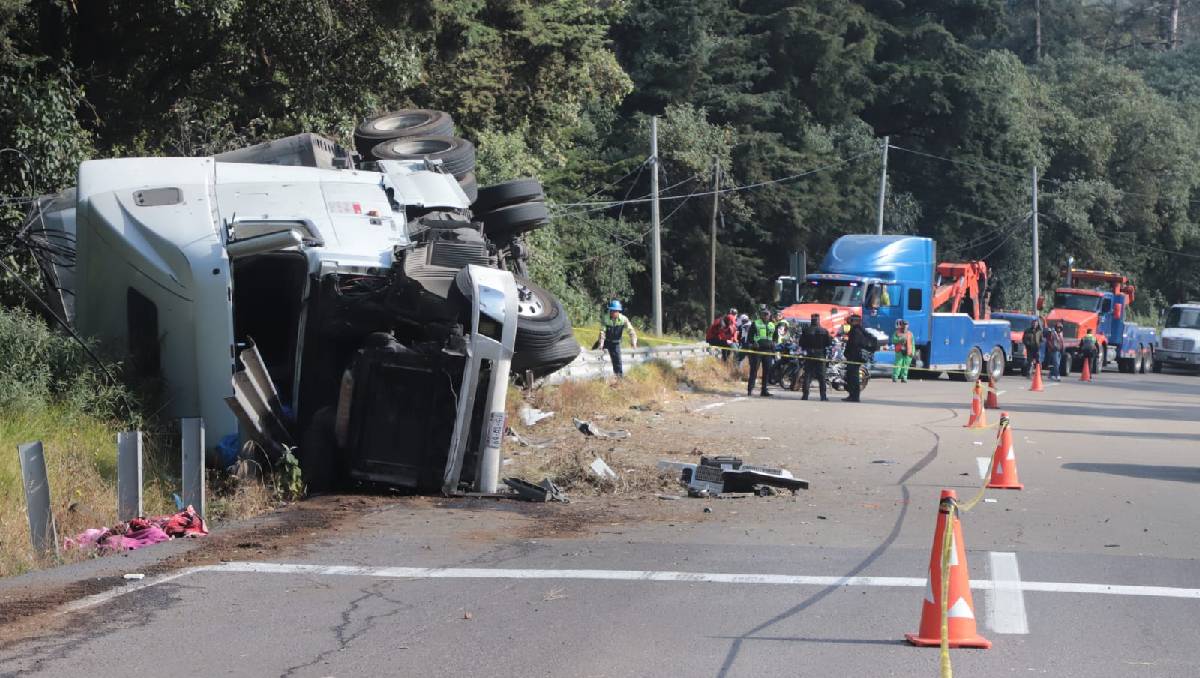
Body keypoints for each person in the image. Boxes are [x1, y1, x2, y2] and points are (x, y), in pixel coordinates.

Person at [595, 300, 637, 376]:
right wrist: (601, 344)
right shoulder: (605, 318)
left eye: (615, 311)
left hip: (615, 343)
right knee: (595, 353)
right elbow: (602, 332)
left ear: (618, 311)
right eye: (611, 310)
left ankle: (619, 379)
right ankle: (596, 374)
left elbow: (631, 331)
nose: (613, 312)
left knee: (617, 362)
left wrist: (633, 342)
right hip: (606, 341)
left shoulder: (623, 319)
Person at [746, 306, 780, 397]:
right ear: (761, 315)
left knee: (767, 371)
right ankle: (750, 390)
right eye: (763, 314)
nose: (765, 316)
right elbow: (749, 337)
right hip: (757, 351)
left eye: (767, 314)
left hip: (768, 351)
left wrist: (774, 343)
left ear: (769, 315)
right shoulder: (755, 323)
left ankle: (764, 390)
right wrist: (753, 343)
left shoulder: (772, 325)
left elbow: (776, 337)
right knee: (754, 370)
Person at [800, 313, 832, 401]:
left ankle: (805, 395)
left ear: (811, 320)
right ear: (819, 320)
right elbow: (828, 343)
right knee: (822, 377)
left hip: (809, 354)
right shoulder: (824, 331)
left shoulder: (806, 330)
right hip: (820, 355)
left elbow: (801, 343)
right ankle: (823, 396)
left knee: (808, 375)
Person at [843, 313, 874, 402]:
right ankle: (852, 395)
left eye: (851, 320)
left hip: (854, 357)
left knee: (853, 378)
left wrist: (848, 353)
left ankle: (855, 397)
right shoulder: (858, 330)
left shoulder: (856, 331)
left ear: (855, 321)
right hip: (853, 357)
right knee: (851, 377)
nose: (849, 322)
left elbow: (854, 345)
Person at [891, 319, 914, 383]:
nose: (905, 326)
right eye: (904, 324)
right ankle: (895, 377)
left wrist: (913, 352)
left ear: (908, 326)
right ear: (902, 325)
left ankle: (904, 377)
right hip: (899, 351)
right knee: (898, 364)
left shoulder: (910, 334)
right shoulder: (897, 332)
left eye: (906, 324)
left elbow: (913, 344)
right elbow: (893, 340)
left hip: (908, 352)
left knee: (906, 365)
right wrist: (900, 339)